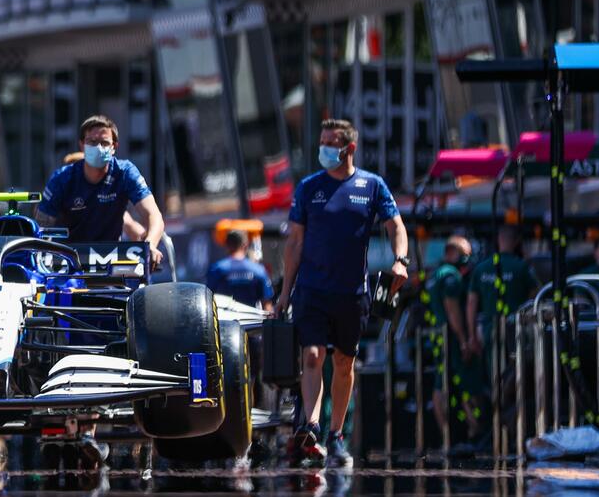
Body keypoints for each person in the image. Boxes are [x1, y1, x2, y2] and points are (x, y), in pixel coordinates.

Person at [274, 118, 407, 468]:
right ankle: (311, 426)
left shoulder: (372, 185)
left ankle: (336, 435)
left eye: (331, 143)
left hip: (352, 293)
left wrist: (400, 261)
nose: (324, 148)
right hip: (312, 290)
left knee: (344, 363)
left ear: (349, 148)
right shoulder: (308, 187)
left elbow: (396, 226)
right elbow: (295, 242)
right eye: (322, 141)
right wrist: (285, 292)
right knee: (312, 355)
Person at [37, 115, 165, 270]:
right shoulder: (62, 178)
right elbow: (41, 228)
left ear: (114, 147)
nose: (98, 147)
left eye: (104, 143)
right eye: (92, 142)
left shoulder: (124, 172)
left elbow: (154, 216)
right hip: (67, 264)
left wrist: (150, 245)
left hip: (110, 262)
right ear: (82, 145)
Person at [424, 236, 481, 439]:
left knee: (442, 383)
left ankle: (449, 436)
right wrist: (464, 340)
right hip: (450, 337)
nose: (467, 259)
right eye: (464, 254)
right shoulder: (451, 276)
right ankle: (473, 430)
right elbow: (452, 310)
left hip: (438, 336)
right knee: (463, 383)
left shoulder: (435, 274)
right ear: (450, 253)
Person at [466, 224, 540, 367]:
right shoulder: (522, 267)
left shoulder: (481, 268)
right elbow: (536, 296)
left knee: (494, 370)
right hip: (518, 329)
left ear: (498, 239)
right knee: (518, 370)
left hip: (489, 330)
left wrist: (472, 335)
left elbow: (471, 303)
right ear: (517, 241)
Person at [206, 229, 274, 310]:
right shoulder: (258, 270)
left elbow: (207, 299)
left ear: (227, 245)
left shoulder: (216, 269)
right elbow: (267, 305)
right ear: (245, 245)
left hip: (224, 317)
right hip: (251, 317)